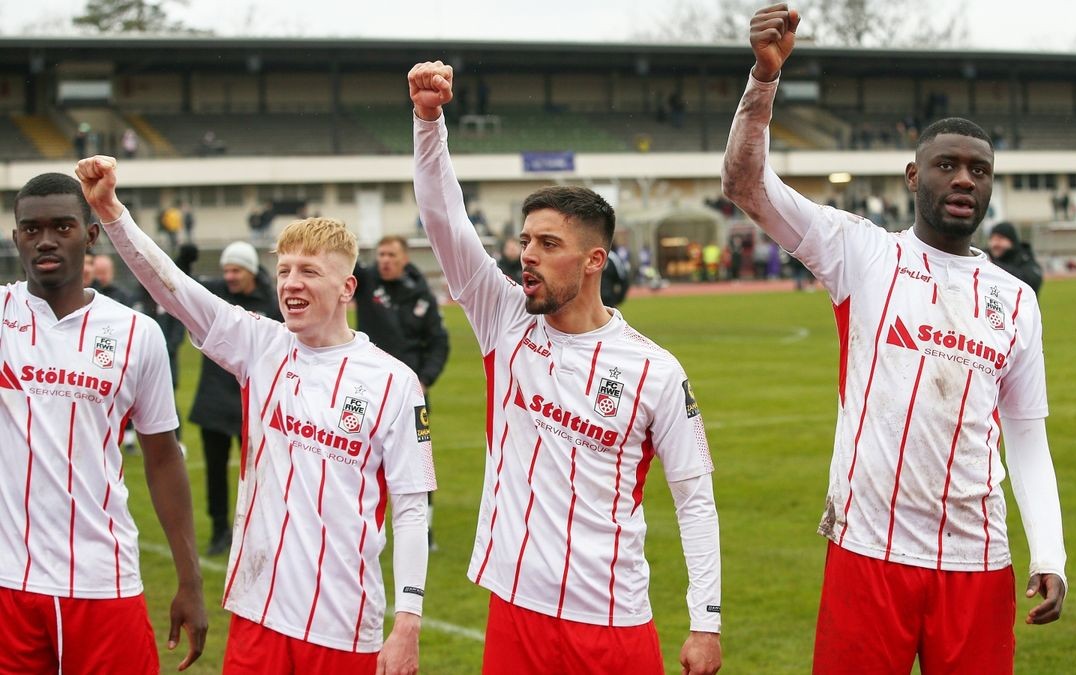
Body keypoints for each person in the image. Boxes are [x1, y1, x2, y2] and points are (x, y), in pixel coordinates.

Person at [721, 6, 1066, 673]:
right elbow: (744, 184)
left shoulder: (1015, 299)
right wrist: (763, 81)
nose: (964, 178)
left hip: (978, 561)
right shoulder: (861, 252)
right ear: (915, 176)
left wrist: (1049, 550)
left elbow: (1027, 435)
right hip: (868, 551)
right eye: (947, 165)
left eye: (978, 170)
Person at [410, 61, 722, 675]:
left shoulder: (655, 370)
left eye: (548, 245)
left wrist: (705, 621)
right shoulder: (505, 319)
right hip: (515, 610)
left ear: (593, 260)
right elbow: (444, 219)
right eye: (525, 241)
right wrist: (428, 120)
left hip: (612, 622)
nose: (527, 256)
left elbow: (695, 496)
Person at [76, 155, 436, 675]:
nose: (291, 282)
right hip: (257, 616)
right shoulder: (259, 346)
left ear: (347, 288)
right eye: (283, 270)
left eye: (309, 271)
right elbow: (172, 287)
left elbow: (410, 508)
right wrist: (111, 212)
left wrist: (408, 621)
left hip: (343, 626)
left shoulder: (395, 382)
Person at [0, 172, 207, 673]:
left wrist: (191, 581)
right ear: (16, 238)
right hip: (8, 586)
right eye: (31, 229)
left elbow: (162, 458)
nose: (45, 240)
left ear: (91, 236)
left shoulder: (138, 334)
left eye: (63, 227)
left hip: (102, 581)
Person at [353, 234, 449, 549]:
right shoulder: (365, 282)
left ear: (405, 258)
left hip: (410, 395)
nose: (385, 260)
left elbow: (438, 342)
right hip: (365, 390)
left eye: (392, 254)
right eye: (381, 254)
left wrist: (425, 379)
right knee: (357, 459)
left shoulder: (421, 295)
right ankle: (361, 529)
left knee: (416, 464)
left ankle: (426, 531)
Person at [188, 241, 281, 556]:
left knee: (259, 473)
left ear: (251, 270)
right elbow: (180, 291)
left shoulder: (271, 301)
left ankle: (259, 532)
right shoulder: (215, 293)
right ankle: (219, 530)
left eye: (236, 270)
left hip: (253, 402)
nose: (229, 276)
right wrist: (185, 260)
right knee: (215, 471)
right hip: (214, 397)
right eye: (226, 269)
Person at [988, 222, 1044, 295]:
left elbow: (1031, 282)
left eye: (1000, 239)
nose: (995, 244)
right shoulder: (985, 256)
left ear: (1012, 241)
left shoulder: (1024, 258)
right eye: (993, 239)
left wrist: (993, 265)